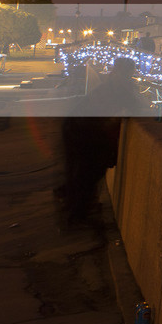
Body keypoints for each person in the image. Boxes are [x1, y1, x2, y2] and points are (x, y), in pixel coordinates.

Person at [59, 57, 148, 226]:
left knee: (79, 171)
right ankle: (77, 214)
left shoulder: (110, 83)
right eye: (130, 72)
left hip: (75, 126)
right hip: (82, 130)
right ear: (127, 72)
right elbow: (137, 106)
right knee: (89, 172)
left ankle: (73, 207)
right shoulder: (120, 86)